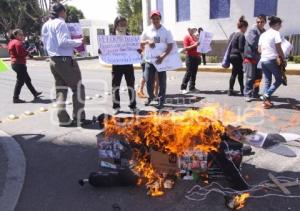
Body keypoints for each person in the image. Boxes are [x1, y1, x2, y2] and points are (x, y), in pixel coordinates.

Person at [41, 3, 89, 127]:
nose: (66, 14)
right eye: (65, 12)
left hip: (53, 60)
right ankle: (79, 118)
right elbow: (63, 42)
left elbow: (45, 43)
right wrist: (79, 42)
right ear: (62, 12)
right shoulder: (61, 23)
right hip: (64, 60)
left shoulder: (46, 25)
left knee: (61, 89)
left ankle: (63, 119)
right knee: (78, 88)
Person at [140, 10, 174, 109]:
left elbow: (170, 45)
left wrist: (163, 56)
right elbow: (141, 42)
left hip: (162, 61)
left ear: (160, 19)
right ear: (151, 19)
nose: (155, 20)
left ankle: (161, 99)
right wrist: (147, 41)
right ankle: (151, 96)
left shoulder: (166, 30)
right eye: (153, 18)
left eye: (157, 18)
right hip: (149, 61)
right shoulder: (147, 30)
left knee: (162, 82)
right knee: (148, 80)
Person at [109, 16, 138, 114]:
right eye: (121, 24)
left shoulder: (130, 36)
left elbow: (135, 49)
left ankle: (133, 106)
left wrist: (138, 50)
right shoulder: (111, 38)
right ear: (116, 25)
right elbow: (105, 50)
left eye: (125, 24)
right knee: (115, 86)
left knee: (131, 85)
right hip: (116, 65)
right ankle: (116, 106)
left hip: (128, 65)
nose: (123, 26)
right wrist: (101, 51)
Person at [8, 29, 42, 103]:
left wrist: (28, 53)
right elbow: (20, 53)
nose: (22, 36)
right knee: (20, 82)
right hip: (19, 64)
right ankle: (15, 98)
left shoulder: (11, 42)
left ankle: (34, 93)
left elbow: (19, 52)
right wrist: (28, 54)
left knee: (27, 80)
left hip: (15, 64)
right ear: (16, 35)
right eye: (20, 34)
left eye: (22, 34)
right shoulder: (18, 43)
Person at [258, 16, 285, 109]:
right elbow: (278, 48)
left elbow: (259, 50)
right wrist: (283, 58)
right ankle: (266, 94)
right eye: (280, 25)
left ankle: (265, 103)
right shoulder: (276, 33)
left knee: (267, 81)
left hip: (263, 60)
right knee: (279, 79)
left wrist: (267, 51)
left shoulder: (263, 34)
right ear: (276, 24)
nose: (280, 26)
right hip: (271, 60)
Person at [243, 14, 266, 102]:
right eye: (258, 22)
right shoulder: (253, 30)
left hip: (259, 58)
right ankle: (247, 94)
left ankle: (255, 92)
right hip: (250, 57)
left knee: (258, 77)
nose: (260, 23)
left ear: (265, 22)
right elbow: (253, 43)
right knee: (250, 77)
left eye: (262, 22)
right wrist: (263, 49)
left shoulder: (264, 31)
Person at [228, 16, 248, 96]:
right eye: (246, 28)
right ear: (243, 27)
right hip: (238, 56)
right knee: (236, 73)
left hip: (232, 56)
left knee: (238, 73)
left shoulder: (233, 34)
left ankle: (241, 89)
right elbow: (241, 48)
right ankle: (232, 90)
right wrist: (244, 59)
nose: (246, 30)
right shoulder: (241, 35)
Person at [180, 26, 200, 94]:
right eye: (192, 29)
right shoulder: (186, 37)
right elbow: (185, 48)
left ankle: (192, 87)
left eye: (194, 29)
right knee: (189, 73)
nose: (193, 30)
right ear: (188, 30)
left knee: (194, 73)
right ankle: (183, 88)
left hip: (196, 57)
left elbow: (198, 46)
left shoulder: (195, 37)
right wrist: (195, 45)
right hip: (189, 57)